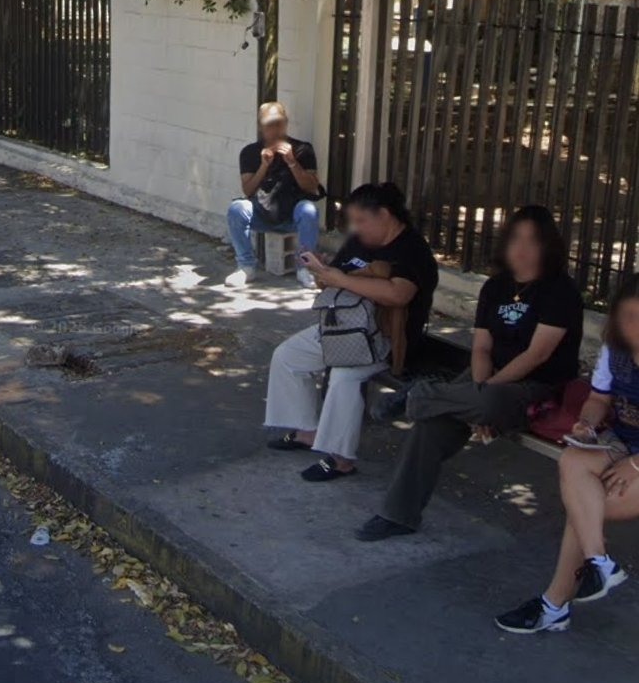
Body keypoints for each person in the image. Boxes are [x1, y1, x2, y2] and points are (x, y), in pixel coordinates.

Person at [357, 205, 583, 542]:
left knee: (486, 403)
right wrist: (478, 388)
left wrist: (483, 394)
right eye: (516, 239)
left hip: (537, 385)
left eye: (532, 241)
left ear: (548, 246)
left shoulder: (559, 290)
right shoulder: (496, 286)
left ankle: (420, 394)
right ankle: (398, 515)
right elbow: (480, 348)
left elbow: (537, 355)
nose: (522, 249)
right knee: (433, 424)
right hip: (485, 376)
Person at [265, 182, 438, 481]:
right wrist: (323, 273)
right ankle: (307, 431)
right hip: (344, 326)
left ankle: (340, 458)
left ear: (384, 215)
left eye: (361, 220)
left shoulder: (412, 249)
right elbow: (335, 277)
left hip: (384, 339)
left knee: (344, 377)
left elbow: (398, 294)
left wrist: (341, 280)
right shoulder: (360, 242)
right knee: (287, 355)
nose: (355, 228)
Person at [495, 273, 639, 634]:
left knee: (587, 505)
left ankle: (556, 603)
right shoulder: (616, 350)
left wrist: (636, 465)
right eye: (628, 316)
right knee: (573, 461)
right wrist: (586, 424)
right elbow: (599, 398)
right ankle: (598, 563)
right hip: (624, 441)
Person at [226, 101, 323, 288]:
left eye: (279, 123)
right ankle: (246, 266)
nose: (275, 129)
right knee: (236, 208)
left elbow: (312, 187)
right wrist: (264, 166)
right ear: (260, 126)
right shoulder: (249, 152)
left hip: (293, 214)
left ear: (286, 122)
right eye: (269, 124)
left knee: (309, 210)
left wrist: (292, 162)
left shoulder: (303, 149)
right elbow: (248, 190)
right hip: (262, 213)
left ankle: (304, 268)